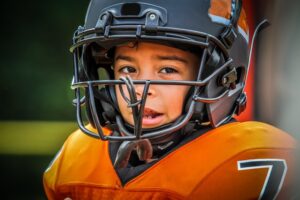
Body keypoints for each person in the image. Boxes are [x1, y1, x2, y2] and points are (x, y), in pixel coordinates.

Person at [43, 0, 298, 199]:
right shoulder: (77, 158)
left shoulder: (246, 161)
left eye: (167, 70)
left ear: (219, 77)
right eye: (128, 70)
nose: (141, 90)